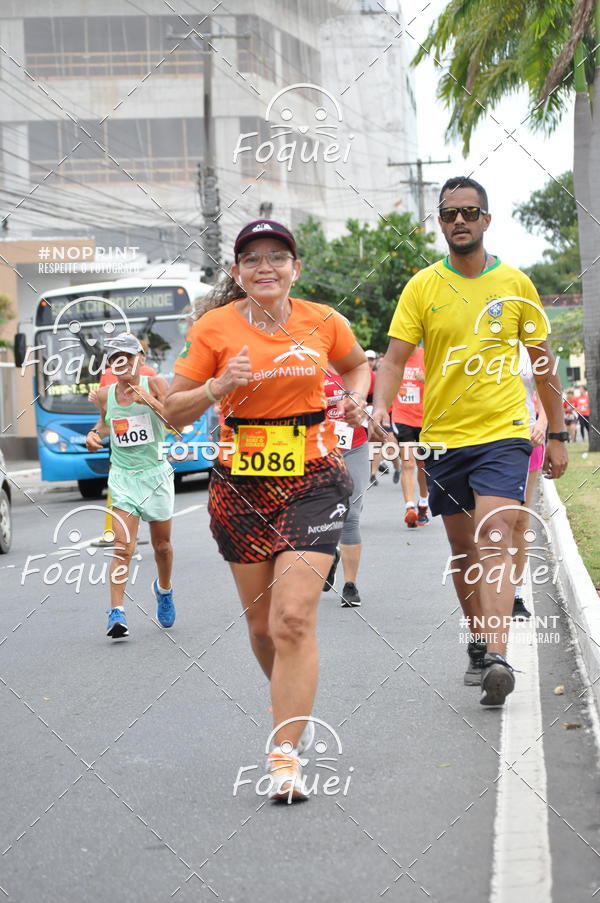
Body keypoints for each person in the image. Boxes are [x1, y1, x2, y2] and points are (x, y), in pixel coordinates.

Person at [164, 219, 369, 801]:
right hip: (241, 483)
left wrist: (354, 400)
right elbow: (172, 413)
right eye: (251, 259)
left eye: (277, 257)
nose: (265, 267)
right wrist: (216, 386)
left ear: (294, 268)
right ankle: (292, 708)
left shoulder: (323, 320)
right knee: (261, 628)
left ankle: (284, 755)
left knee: (293, 620)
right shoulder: (213, 328)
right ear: (237, 273)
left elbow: (356, 365)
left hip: (312, 474)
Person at [372, 176, 568, 707]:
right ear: (440, 223)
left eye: (469, 211)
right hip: (443, 439)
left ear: (486, 219)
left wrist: (556, 432)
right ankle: (479, 641)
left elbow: (543, 363)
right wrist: (381, 405)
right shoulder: (422, 287)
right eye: (449, 213)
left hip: (503, 432)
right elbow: (392, 358)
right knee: (462, 550)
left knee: (496, 535)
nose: (459, 220)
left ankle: (499, 656)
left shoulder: (517, 285)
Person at [85, 333, 176, 639]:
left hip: (155, 475)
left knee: (162, 547)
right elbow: (103, 424)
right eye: (115, 359)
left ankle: (164, 590)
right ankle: (116, 613)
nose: (122, 363)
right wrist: (93, 436)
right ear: (111, 365)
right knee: (123, 548)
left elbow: (177, 424)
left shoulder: (157, 385)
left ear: (141, 358)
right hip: (123, 476)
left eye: (128, 356)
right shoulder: (105, 394)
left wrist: (147, 400)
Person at [322, 368, 371, 607]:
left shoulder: (354, 369)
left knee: (351, 514)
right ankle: (330, 555)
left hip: (354, 446)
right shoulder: (307, 365)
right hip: (317, 451)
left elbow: (367, 404)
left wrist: (379, 427)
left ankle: (350, 585)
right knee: (319, 512)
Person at [512, 342, 548, 620]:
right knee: (489, 519)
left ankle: (517, 594)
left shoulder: (530, 349)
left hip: (528, 437)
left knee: (520, 518)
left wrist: (543, 423)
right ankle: (490, 589)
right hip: (488, 440)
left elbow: (549, 389)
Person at [391, 345, 429, 527]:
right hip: (402, 417)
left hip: (425, 418)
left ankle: (423, 502)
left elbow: (443, 383)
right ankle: (409, 508)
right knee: (408, 463)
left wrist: (426, 380)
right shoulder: (395, 357)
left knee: (423, 465)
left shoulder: (427, 355)